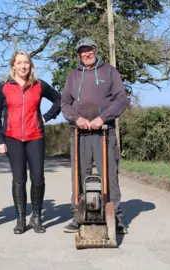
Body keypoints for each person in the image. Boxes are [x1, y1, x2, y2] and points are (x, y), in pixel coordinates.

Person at [60, 37, 129, 234]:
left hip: (105, 132)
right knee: (79, 176)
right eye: (82, 51)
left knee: (109, 176)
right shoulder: (73, 75)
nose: (86, 54)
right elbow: (65, 102)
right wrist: (76, 119)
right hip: (79, 133)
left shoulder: (109, 71)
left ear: (95, 50)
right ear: (78, 55)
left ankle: (114, 217)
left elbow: (120, 99)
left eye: (89, 50)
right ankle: (78, 215)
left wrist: (102, 118)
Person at [0, 50, 61, 234]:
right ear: (13, 65)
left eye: (26, 63)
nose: (23, 66)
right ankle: (21, 219)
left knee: (37, 178)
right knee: (19, 179)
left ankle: (36, 217)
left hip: (35, 136)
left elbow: (58, 99)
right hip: (12, 138)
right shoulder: (3, 86)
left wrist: (46, 117)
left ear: (30, 66)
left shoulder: (38, 85)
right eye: (19, 62)